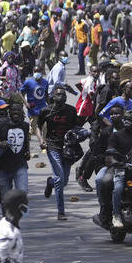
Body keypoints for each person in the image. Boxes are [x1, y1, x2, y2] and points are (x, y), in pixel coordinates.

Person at [38, 87, 81, 220]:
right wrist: (41, 139)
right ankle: (61, 212)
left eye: (63, 94)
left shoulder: (71, 110)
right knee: (60, 178)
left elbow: (76, 126)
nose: (61, 97)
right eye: (58, 95)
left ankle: (50, 182)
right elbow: (37, 127)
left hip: (68, 149)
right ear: (53, 97)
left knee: (64, 181)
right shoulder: (46, 111)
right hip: (53, 146)